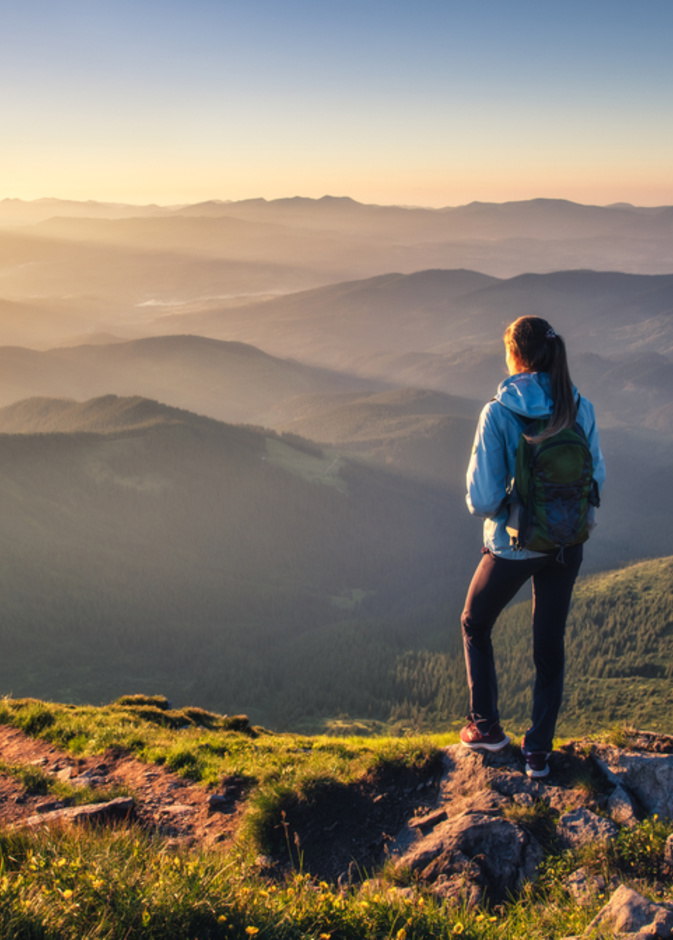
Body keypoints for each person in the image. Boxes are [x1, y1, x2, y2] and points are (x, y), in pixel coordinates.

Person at [459, 315, 605, 778]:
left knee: (475, 623)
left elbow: (483, 500)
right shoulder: (579, 406)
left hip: (515, 544)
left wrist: (512, 507)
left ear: (515, 356)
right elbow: (596, 477)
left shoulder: (499, 412)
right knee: (549, 644)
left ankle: (486, 727)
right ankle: (538, 751)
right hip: (567, 542)